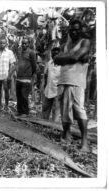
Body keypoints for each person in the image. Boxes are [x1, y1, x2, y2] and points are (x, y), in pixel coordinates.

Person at [54, 20, 91, 152]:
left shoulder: (85, 42)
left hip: (76, 81)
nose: (74, 32)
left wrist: (64, 58)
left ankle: (85, 142)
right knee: (65, 111)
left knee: (79, 110)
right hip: (63, 80)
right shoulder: (65, 45)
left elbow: (74, 57)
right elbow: (55, 59)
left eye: (76, 29)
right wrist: (68, 57)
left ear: (81, 30)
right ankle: (66, 135)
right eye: (72, 30)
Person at [0, 37, 16, 111]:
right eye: (1, 43)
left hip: (6, 76)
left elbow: (12, 65)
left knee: (6, 90)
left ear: (6, 44)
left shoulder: (9, 52)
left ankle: (6, 106)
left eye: (4, 43)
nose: (2, 44)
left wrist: (9, 76)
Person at [15, 38, 37, 117]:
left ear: (28, 44)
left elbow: (34, 66)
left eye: (25, 43)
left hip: (26, 78)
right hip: (18, 77)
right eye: (23, 43)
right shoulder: (20, 52)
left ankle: (25, 112)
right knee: (19, 95)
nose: (24, 45)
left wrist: (31, 74)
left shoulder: (32, 53)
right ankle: (19, 111)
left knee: (24, 96)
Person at [42, 47, 61, 122]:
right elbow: (46, 75)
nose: (55, 55)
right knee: (45, 109)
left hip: (57, 92)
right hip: (48, 90)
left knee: (55, 111)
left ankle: (54, 128)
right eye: (53, 54)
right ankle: (43, 125)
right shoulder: (49, 63)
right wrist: (43, 86)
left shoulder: (63, 65)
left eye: (57, 54)